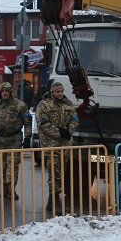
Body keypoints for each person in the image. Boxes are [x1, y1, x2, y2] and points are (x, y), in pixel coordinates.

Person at [0, 81, 33, 201]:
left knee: (13, 166)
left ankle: (11, 189)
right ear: (0, 92)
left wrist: (27, 137)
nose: (4, 93)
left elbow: (27, 122)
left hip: (14, 139)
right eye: (2, 91)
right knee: (2, 166)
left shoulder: (20, 106)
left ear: (11, 93)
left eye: (7, 91)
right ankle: (3, 189)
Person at [35, 81, 79, 214]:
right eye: (57, 91)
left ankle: (53, 200)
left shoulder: (68, 104)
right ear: (52, 92)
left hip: (64, 145)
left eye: (61, 91)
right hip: (51, 144)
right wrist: (59, 132)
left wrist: (68, 131)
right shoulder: (44, 104)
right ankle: (53, 202)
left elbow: (75, 119)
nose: (60, 94)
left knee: (61, 173)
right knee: (54, 173)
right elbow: (42, 123)